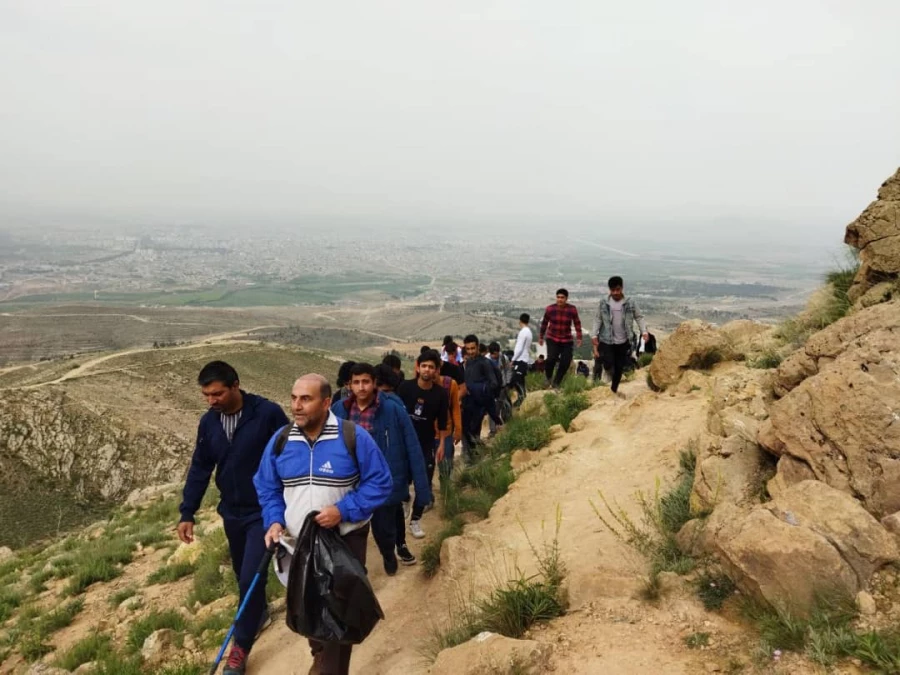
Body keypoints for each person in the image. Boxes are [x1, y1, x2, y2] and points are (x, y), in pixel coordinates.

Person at [254, 374, 392, 675]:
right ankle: (320, 656)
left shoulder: (352, 437)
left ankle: (327, 669)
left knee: (339, 612)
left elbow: (381, 482)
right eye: (293, 398)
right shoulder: (281, 441)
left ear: (327, 402)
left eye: (306, 399)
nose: (296, 406)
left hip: (345, 540)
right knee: (308, 607)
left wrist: (343, 510)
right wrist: (274, 521)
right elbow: (267, 486)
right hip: (296, 544)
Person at [177, 361, 289, 675]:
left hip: (263, 511)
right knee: (243, 571)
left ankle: (239, 649)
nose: (211, 400)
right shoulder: (209, 423)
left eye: (217, 393)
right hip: (232, 512)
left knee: (248, 577)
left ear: (236, 385)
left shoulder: (267, 414)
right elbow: (200, 468)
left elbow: (289, 454)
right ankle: (259, 612)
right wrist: (188, 512)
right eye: (206, 395)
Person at [331, 363, 431, 573]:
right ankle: (358, 572)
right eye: (356, 382)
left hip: (381, 481)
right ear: (349, 384)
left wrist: (422, 490)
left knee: (384, 530)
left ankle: (388, 553)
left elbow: (412, 446)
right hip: (350, 481)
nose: (361, 387)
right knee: (351, 531)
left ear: (374, 383)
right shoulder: (339, 410)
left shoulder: (392, 409)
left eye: (366, 381)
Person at [396, 350, 449, 539]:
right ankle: (404, 500)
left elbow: (443, 422)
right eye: (424, 365)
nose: (427, 370)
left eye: (431, 367)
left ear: (436, 371)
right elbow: (396, 415)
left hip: (426, 444)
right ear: (418, 367)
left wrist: (442, 444)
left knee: (424, 484)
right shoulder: (405, 387)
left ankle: (415, 520)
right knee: (402, 479)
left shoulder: (441, 394)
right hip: (404, 443)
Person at [592, 275, 648, 396]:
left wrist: (644, 331)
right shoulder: (604, 302)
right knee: (607, 363)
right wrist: (594, 335)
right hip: (607, 339)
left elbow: (639, 316)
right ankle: (612, 383)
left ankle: (614, 389)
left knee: (619, 366)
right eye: (613, 290)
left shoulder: (630, 302)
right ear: (610, 290)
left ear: (622, 288)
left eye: (618, 290)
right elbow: (598, 319)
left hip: (624, 340)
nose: (616, 293)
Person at [460, 334, 501, 458]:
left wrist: (476, 389)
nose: (471, 351)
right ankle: (473, 458)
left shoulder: (485, 363)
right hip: (468, 404)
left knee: (472, 433)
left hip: (479, 405)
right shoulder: (468, 363)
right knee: (466, 432)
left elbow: (493, 384)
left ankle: (475, 460)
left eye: (473, 348)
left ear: (477, 347)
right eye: (468, 349)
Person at [539, 288, 583, 389]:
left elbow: (577, 323)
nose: (560, 299)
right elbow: (544, 323)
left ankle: (556, 382)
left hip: (566, 340)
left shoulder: (572, 309)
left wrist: (579, 337)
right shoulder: (550, 309)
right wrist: (541, 336)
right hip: (552, 338)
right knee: (551, 359)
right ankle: (548, 377)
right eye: (558, 297)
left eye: (562, 297)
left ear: (566, 298)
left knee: (566, 361)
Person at [436, 359, 463, 477]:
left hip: (445, 432)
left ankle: (446, 492)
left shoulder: (449, 385)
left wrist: (458, 429)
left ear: (438, 368)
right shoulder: (417, 386)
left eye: (432, 367)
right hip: (426, 434)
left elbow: (455, 408)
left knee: (445, 467)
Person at [510, 313, 533, 406]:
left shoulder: (523, 332)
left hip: (520, 359)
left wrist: (513, 359)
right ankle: (522, 398)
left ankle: (521, 398)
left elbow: (519, 348)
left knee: (516, 380)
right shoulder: (529, 332)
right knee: (521, 380)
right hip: (525, 359)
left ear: (520, 321)